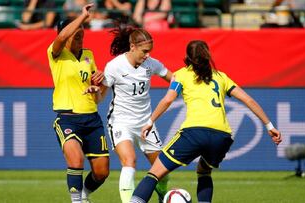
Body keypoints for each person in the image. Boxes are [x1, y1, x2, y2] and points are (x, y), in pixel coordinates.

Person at [129, 40, 283, 203]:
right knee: (203, 171)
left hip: (194, 132)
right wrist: (269, 126)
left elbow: (168, 100)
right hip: (222, 136)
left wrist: (150, 121)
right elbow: (249, 100)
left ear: (187, 57)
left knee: (154, 173)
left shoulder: (181, 74)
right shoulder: (221, 76)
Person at [100, 26, 173, 203]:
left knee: (162, 171)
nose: (147, 55)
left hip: (145, 123)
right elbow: (99, 97)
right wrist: (95, 89)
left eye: (150, 51)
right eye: (144, 51)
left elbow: (175, 79)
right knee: (129, 161)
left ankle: (162, 195)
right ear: (132, 46)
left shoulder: (151, 64)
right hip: (120, 122)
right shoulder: (114, 67)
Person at [47, 4, 110, 203]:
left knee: (102, 172)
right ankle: (76, 200)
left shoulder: (88, 55)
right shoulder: (56, 53)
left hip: (92, 119)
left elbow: (99, 94)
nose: (81, 37)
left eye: (83, 34)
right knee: (76, 160)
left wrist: (101, 84)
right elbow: (60, 38)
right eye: (76, 34)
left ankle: (83, 194)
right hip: (68, 119)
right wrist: (82, 17)